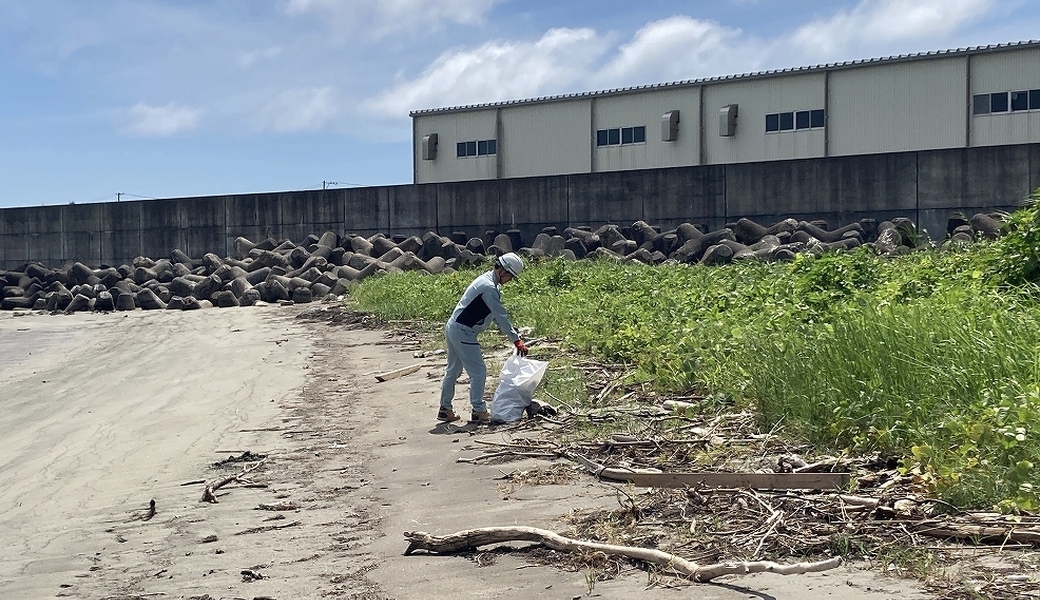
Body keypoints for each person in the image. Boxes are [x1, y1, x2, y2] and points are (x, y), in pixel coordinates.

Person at [438, 252, 528, 423]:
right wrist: (515, 339)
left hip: (453, 327)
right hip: (463, 331)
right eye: (510, 276)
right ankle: (479, 410)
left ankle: (445, 408)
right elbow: (500, 316)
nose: (509, 280)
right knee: (478, 372)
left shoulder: (486, 280)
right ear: (503, 271)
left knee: (452, 371)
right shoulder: (489, 288)